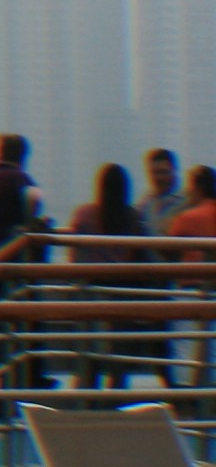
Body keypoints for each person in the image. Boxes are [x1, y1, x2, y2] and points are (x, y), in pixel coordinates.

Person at [64, 162, 151, 391]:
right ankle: (115, 399)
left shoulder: (84, 215)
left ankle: (87, 397)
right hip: (123, 290)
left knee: (90, 348)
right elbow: (140, 255)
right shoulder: (132, 217)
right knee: (118, 354)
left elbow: (74, 254)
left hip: (91, 288)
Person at [0, 132, 46, 388]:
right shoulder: (19, 178)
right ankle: (28, 375)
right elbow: (35, 200)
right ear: (23, 155)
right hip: (16, 261)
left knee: (0, 324)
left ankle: (3, 375)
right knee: (26, 318)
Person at [167, 165, 216, 387]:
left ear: (198, 187)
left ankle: (187, 401)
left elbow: (167, 246)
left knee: (186, 351)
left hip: (191, 288)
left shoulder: (189, 216)